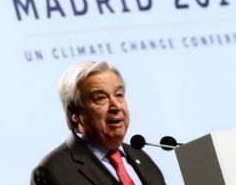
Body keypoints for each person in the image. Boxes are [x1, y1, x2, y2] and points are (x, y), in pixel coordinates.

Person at [31, 61, 166, 185]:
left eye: (119, 95)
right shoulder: (52, 171)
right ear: (74, 113)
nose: (116, 106)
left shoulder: (140, 157)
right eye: (101, 98)